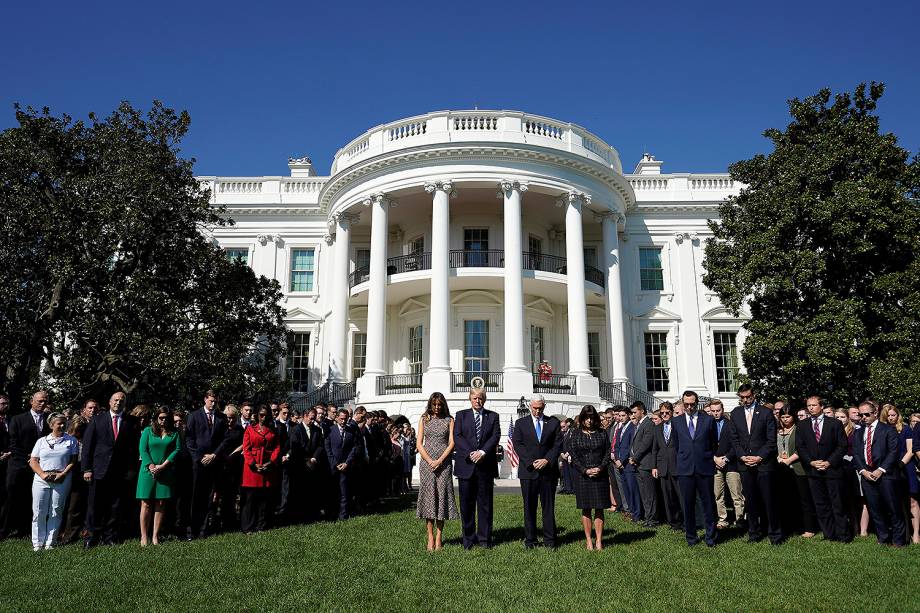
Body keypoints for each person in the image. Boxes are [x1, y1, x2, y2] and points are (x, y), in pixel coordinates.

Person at [81, 391, 140, 546]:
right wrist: (86, 468)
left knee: (115, 506)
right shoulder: (97, 419)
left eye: (121, 400)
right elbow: (88, 446)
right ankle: (92, 537)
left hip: (120, 472)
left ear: (124, 403)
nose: (118, 403)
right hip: (99, 470)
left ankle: (110, 537)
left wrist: (131, 471)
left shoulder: (132, 422)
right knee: (95, 506)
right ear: (109, 402)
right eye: (115, 400)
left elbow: (134, 449)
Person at [729, 384, 781, 544]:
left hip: (764, 464)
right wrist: (742, 456)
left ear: (754, 395)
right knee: (750, 501)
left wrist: (760, 457)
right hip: (745, 465)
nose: (745, 400)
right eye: (742, 397)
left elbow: (771, 440)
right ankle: (754, 533)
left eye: (748, 397)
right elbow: (734, 439)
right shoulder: (735, 413)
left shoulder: (766, 413)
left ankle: (775, 534)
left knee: (769, 500)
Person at [796, 395, 850, 542]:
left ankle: (843, 535)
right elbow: (800, 447)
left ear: (821, 406)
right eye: (808, 405)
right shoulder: (802, 425)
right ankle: (829, 534)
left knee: (837, 503)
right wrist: (811, 462)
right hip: (813, 470)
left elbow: (842, 445)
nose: (811, 408)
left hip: (832, 470)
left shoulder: (834, 423)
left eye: (813, 405)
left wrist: (829, 462)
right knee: (820, 504)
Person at [513, 394, 562, 549]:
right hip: (528, 472)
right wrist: (531, 462)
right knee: (529, 507)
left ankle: (550, 541)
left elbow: (557, 444)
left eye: (540, 408)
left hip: (548, 472)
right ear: (529, 406)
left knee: (548, 507)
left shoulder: (553, 423)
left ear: (544, 406)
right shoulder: (521, 423)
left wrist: (547, 460)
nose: (537, 411)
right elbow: (517, 444)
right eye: (535, 408)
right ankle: (531, 540)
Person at [853, 400, 906, 547]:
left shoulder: (888, 429)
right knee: (875, 509)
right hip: (866, 476)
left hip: (886, 475)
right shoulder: (858, 432)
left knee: (893, 508)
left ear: (875, 413)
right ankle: (883, 538)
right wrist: (863, 471)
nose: (863, 417)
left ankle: (899, 541)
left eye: (867, 414)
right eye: (860, 415)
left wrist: (880, 470)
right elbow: (856, 453)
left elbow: (893, 452)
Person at [453, 388, 500, 549]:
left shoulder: (493, 416)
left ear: (484, 399)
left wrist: (482, 452)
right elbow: (457, 436)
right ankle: (468, 539)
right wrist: (471, 453)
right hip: (466, 466)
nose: (477, 401)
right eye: (474, 398)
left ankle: (484, 539)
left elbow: (495, 436)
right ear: (470, 399)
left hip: (485, 466)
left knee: (485, 504)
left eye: (480, 398)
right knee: (466, 505)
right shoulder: (461, 415)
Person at [671, 390, 718, 547]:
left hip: (704, 468)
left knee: (708, 504)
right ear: (683, 403)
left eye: (692, 404)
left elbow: (713, 443)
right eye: (686, 404)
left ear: (697, 403)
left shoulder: (708, 420)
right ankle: (691, 537)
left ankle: (710, 537)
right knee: (687, 504)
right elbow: (677, 446)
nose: (689, 407)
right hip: (685, 469)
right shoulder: (676, 422)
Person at [1, 390, 51, 539]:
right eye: (40, 401)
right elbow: (13, 443)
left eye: (45, 401)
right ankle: (3, 530)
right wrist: (29, 457)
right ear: (31, 401)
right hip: (18, 465)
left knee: (31, 499)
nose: (42, 404)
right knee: (10, 498)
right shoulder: (17, 419)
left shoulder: (49, 420)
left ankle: (25, 530)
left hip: (39, 467)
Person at [28, 413, 78, 551]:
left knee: (56, 510)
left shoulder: (71, 440)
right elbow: (33, 461)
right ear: (51, 425)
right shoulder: (41, 441)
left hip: (62, 479)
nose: (62, 426)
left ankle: (51, 541)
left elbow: (73, 461)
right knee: (39, 511)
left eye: (64, 423)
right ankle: (37, 543)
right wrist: (43, 475)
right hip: (41, 479)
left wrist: (63, 474)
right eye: (59, 423)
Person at [415, 392, 458, 551]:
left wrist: (440, 460)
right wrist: (430, 461)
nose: (437, 407)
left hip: (444, 464)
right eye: (434, 405)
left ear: (443, 405)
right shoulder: (424, 419)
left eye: (440, 405)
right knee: (429, 500)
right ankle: (430, 538)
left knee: (441, 499)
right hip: (427, 465)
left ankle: (439, 537)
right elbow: (419, 443)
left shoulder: (449, 420)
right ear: (430, 404)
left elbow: (452, 442)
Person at [564, 405, 611, 550]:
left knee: (599, 508)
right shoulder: (576, 434)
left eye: (591, 417)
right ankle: (589, 540)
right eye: (586, 418)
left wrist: (600, 468)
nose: (589, 421)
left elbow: (607, 452)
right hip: (583, 476)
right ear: (582, 418)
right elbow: (574, 455)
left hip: (599, 474)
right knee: (586, 508)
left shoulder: (602, 433)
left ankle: (599, 540)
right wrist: (585, 470)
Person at [184, 390, 229, 539]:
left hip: (214, 463)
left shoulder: (222, 418)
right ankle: (192, 530)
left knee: (209, 498)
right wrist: (199, 457)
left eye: (215, 401)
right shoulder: (194, 416)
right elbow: (189, 440)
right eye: (211, 401)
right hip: (198, 464)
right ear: (205, 400)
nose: (213, 404)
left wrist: (214, 455)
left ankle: (204, 530)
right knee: (195, 497)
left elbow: (225, 440)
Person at [136, 407, 181, 545]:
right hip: (147, 472)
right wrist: (151, 466)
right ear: (156, 418)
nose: (163, 420)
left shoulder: (174, 433)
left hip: (165, 471)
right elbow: (142, 450)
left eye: (166, 418)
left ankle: (155, 535)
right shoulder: (148, 431)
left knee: (161, 503)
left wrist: (163, 466)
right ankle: (144, 536)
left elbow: (177, 449)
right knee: (146, 503)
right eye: (161, 417)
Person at [775, 406, 817, 537]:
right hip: (781, 469)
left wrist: (789, 460)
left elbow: (803, 448)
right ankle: (790, 527)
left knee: (804, 499)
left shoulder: (800, 429)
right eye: (782, 417)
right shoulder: (777, 430)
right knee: (786, 499)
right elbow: (773, 446)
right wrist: (779, 458)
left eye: (788, 416)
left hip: (798, 468)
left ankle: (808, 528)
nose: (785, 419)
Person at [880, 404, 918, 544]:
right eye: (888, 415)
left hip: (905, 466)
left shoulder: (906, 429)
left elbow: (910, 450)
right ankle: (899, 534)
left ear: (898, 415)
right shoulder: (882, 430)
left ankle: (915, 534)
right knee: (894, 502)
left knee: (912, 500)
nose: (891, 418)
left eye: (893, 415)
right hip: (887, 468)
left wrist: (901, 464)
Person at [241, 406, 281, 533]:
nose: (263, 418)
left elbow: (277, 448)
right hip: (252, 469)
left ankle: (261, 525)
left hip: (267, 468)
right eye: (261, 415)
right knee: (250, 500)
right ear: (257, 415)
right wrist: (253, 464)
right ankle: (248, 527)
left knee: (264, 500)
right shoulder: (249, 429)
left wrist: (271, 462)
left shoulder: (273, 430)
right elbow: (246, 449)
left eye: (265, 415)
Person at [287, 407, 326, 523]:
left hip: (313, 464)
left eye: (314, 419)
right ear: (304, 416)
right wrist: (305, 461)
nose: (313, 421)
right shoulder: (295, 430)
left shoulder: (317, 430)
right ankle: (299, 517)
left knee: (312, 492)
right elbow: (295, 447)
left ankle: (311, 516)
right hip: (299, 465)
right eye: (311, 418)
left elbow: (320, 446)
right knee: (300, 492)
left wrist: (314, 458)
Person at [711, 399, 744, 529]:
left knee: (736, 495)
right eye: (713, 411)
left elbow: (736, 444)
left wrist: (726, 458)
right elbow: (705, 445)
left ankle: (740, 519)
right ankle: (722, 519)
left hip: (731, 464)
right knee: (718, 495)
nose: (715, 413)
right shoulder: (708, 425)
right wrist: (715, 459)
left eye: (718, 411)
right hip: (715, 464)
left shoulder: (731, 424)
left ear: (722, 410)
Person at [59, 416, 90, 545]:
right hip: (64, 473)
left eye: (80, 430)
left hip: (80, 473)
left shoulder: (86, 440)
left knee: (74, 506)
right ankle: (60, 531)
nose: (78, 433)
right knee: (62, 505)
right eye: (76, 430)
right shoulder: (65, 438)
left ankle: (70, 534)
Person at [652, 402, 682, 530]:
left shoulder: (679, 426)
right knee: (668, 497)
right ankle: (673, 523)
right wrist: (654, 466)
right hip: (663, 467)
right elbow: (655, 449)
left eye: (667, 412)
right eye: (662, 413)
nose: (664, 415)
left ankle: (685, 521)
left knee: (681, 496)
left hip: (677, 466)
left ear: (671, 412)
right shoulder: (657, 428)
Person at [325, 407, 359, 520]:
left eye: (345, 419)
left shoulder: (350, 431)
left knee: (345, 493)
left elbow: (354, 448)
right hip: (333, 467)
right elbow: (328, 448)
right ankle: (331, 514)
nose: (343, 421)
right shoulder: (330, 430)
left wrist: (347, 463)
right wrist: (335, 463)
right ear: (337, 418)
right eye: (341, 419)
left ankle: (343, 515)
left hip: (345, 467)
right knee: (332, 492)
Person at [629, 401, 658, 527]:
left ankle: (653, 519)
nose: (633, 415)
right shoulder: (640, 424)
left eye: (635, 412)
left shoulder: (648, 424)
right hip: (638, 464)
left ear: (642, 411)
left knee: (649, 494)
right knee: (644, 494)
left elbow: (646, 443)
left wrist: (635, 457)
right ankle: (648, 517)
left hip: (645, 464)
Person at [215, 405, 244, 532]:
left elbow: (243, 444)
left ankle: (229, 521)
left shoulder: (239, 429)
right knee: (216, 495)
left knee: (231, 495)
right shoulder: (220, 428)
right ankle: (215, 521)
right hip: (220, 464)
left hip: (234, 464)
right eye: (227, 418)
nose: (230, 420)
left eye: (232, 418)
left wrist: (232, 455)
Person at [613, 405, 639, 521]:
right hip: (620, 463)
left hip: (628, 464)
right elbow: (617, 446)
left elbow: (630, 446)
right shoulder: (619, 429)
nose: (621, 418)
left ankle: (637, 513)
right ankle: (630, 512)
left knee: (633, 489)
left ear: (629, 415)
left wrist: (622, 460)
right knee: (626, 489)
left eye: (624, 415)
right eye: (620, 416)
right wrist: (617, 459)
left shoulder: (632, 428)